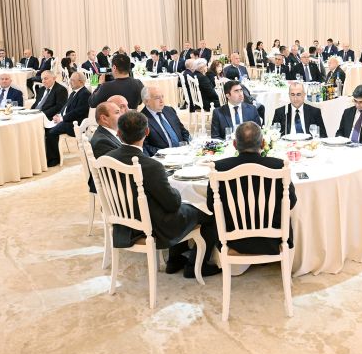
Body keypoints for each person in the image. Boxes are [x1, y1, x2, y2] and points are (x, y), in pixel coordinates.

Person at [104, 111, 220, 278]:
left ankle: (174, 260)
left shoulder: (106, 159)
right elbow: (172, 204)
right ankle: (196, 266)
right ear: (147, 132)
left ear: (119, 133)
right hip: (154, 225)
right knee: (210, 213)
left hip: (124, 224)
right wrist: (178, 192)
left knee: (180, 207)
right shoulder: (151, 166)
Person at [205, 121, 297, 257]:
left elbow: (211, 205)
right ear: (263, 144)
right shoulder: (279, 166)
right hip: (273, 240)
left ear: (234, 144)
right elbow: (291, 202)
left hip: (233, 240)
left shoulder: (219, 168)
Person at [45, 72, 92, 167]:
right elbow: (65, 107)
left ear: (81, 82)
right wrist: (59, 115)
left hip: (76, 124)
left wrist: (62, 119)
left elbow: (78, 112)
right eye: (70, 80)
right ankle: (49, 156)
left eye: (72, 80)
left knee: (51, 132)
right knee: (46, 128)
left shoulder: (85, 94)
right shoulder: (74, 92)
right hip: (68, 120)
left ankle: (54, 160)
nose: (70, 82)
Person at [140, 86, 190, 156]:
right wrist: (166, 152)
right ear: (146, 101)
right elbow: (144, 146)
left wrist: (187, 144)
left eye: (162, 97)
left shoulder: (169, 110)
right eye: (157, 98)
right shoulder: (141, 119)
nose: (162, 101)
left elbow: (183, 131)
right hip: (163, 157)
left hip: (183, 153)